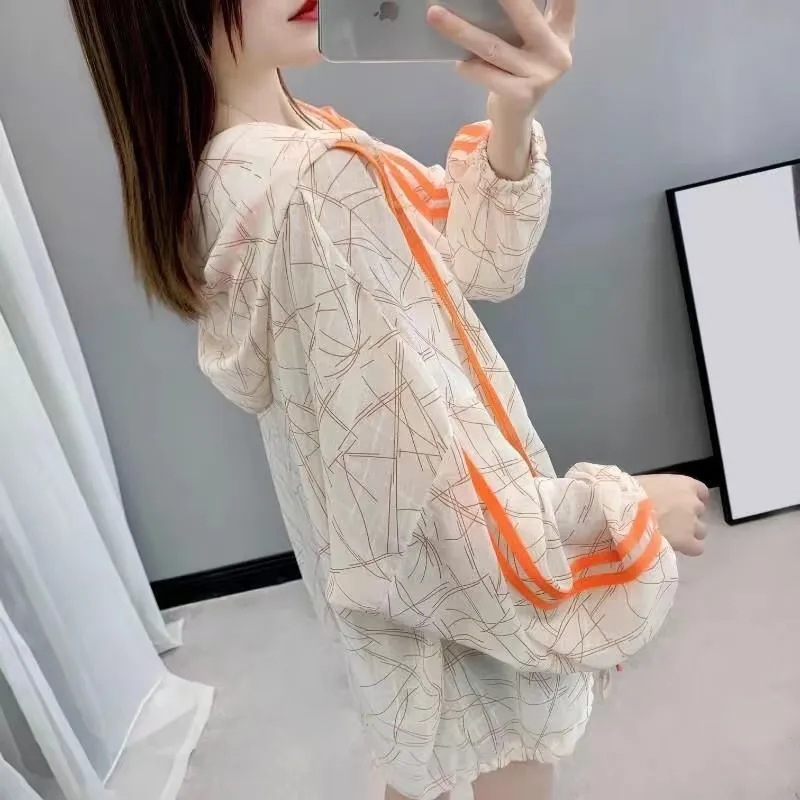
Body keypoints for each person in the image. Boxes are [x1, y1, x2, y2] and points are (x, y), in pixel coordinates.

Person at [67, 0, 710, 797]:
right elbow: (429, 509)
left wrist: (511, 112)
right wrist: (624, 511)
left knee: (425, 756)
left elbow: (467, 259)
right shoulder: (309, 184)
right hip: (460, 596)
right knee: (499, 750)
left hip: (391, 603)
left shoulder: (270, 155)